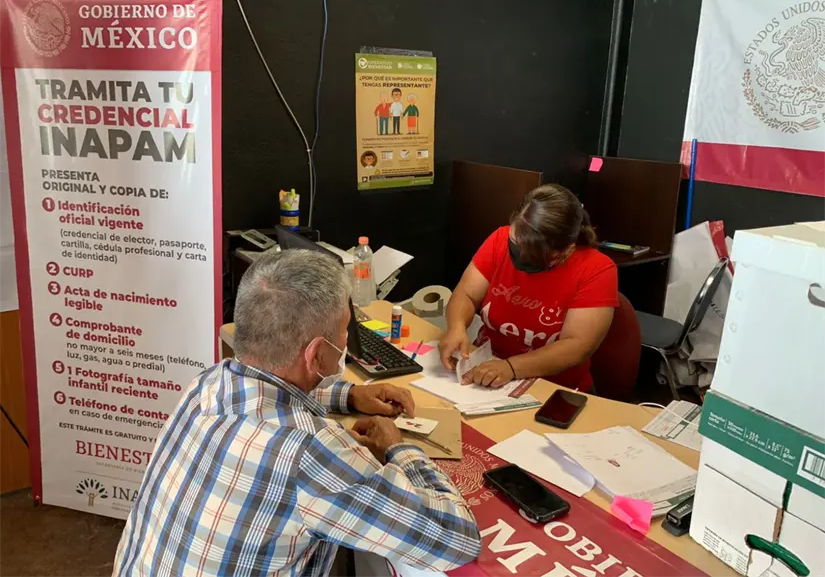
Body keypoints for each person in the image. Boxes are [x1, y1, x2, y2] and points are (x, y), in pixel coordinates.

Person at [113, 250, 481, 577]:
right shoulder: (311, 451)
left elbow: (272, 387)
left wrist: (351, 395)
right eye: (345, 332)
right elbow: (457, 540)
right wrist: (398, 450)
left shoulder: (209, 382)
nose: (346, 343)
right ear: (317, 354)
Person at [440, 184, 617, 392]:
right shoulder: (499, 240)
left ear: (566, 250)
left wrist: (511, 368)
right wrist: (456, 327)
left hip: (552, 389)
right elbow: (466, 294)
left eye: (533, 255)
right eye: (516, 244)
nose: (521, 257)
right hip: (484, 370)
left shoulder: (597, 269)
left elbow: (576, 346)